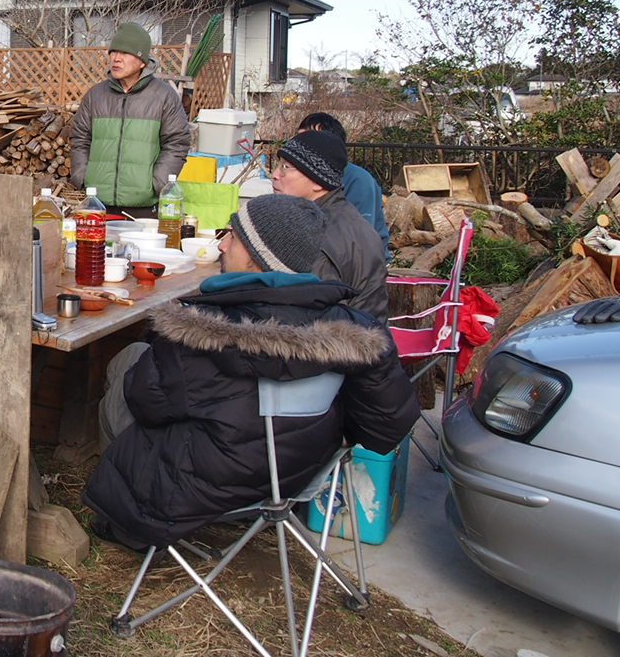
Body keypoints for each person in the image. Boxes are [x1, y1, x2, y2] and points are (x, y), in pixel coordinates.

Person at [83, 194, 418, 551]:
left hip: (200, 484)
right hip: (295, 478)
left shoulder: (201, 334)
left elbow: (145, 403)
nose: (222, 244)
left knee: (126, 369)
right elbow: (388, 425)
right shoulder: (357, 334)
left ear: (258, 256)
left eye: (233, 235)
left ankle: (130, 525)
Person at [68, 23, 191, 214]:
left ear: (142, 61)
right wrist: (82, 177)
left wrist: (157, 184)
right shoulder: (96, 95)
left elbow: (177, 143)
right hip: (98, 203)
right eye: (113, 52)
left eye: (125, 53)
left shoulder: (164, 96)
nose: (116, 58)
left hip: (144, 206)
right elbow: (79, 139)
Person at [272, 130, 390, 320]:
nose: (275, 174)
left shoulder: (317, 235)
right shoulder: (345, 216)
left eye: (286, 167)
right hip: (365, 331)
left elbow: (308, 316)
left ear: (318, 181)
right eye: (278, 165)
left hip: (344, 336)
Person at [297, 112, 389, 254]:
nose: (298, 145)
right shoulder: (299, 176)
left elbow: (358, 238)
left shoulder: (359, 180)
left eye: (307, 139)